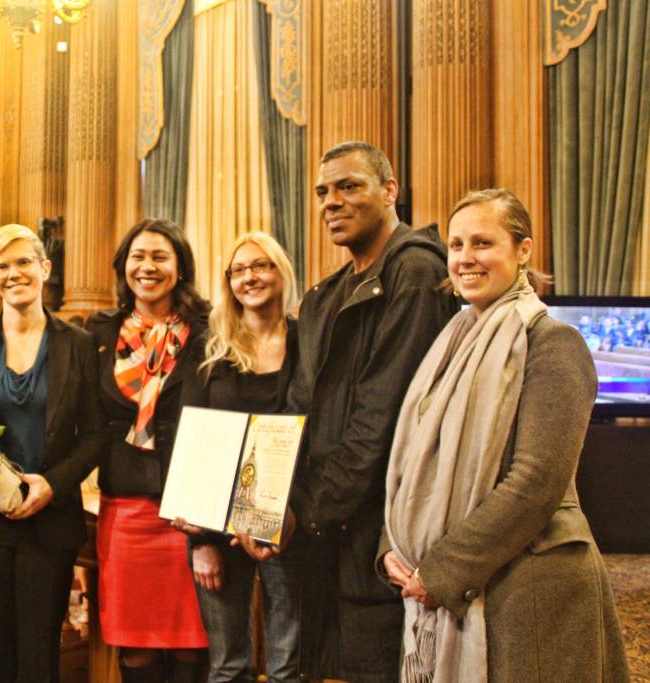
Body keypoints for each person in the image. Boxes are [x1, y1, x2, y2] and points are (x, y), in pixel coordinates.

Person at [380, 189, 631, 682]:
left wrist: (443, 570)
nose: (465, 258)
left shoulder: (554, 343)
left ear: (523, 251)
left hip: (531, 590)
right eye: (455, 245)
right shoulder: (448, 344)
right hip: (454, 584)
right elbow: (411, 464)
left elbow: (535, 482)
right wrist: (394, 546)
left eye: (482, 242)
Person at [262, 141, 458, 683]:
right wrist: (265, 504)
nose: (331, 202)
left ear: (389, 191)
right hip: (325, 532)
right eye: (324, 191)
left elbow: (382, 415)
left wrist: (304, 510)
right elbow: (297, 407)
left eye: (349, 187)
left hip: (380, 535)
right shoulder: (325, 294)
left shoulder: (416, 272)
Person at [0, 224, 106, 683]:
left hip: (47, 519)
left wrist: (53, 484)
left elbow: (94, 435)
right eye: (3, 266)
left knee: (37, 662)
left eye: (24, 262)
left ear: (45, 268)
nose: (15, 274)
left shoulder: (79, 345)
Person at [174, 232, 308, 683]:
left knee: (290, 667)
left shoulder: (307, 340)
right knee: (228, 666)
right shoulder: (208, 345)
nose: (250, 277)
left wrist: (295, 512)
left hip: (287, 523)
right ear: (229, 281)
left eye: (261, 265)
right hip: (217, 524)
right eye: (239, 270)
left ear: (281, 271)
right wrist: (201, 543)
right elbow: (189, 436)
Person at [88, 218, 211, 683]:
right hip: (125, 514)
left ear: (179, 267)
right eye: (138, 256)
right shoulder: (100, 332)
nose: (148, 266)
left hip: (189, 514)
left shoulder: (208, 330)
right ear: (124, 266)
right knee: (135, 650)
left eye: (160, 256)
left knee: (191, 649)